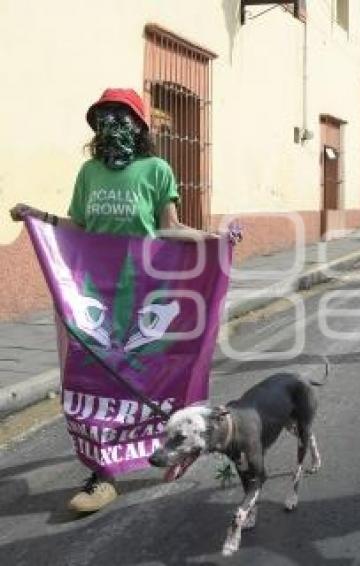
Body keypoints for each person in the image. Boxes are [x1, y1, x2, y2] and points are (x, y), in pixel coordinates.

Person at [10, 88, 219, 514]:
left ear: (139, 126)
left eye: (121, 115)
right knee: (97, 377)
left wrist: (216, 242)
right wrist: (39, 215)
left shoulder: (156, 169)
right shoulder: (89, 172)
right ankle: (103, 473)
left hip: (146, 289)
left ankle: (177, 444)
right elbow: (81, 225)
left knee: (155, 374)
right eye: (103, 116)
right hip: (95, 291)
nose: (112, 123)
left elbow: (168, 227)